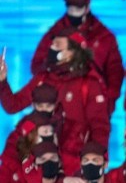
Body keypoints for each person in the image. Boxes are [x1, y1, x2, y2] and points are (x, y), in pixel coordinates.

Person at [0, 29, 111, 169]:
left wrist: (101, 156)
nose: (52, 48)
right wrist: (2, 81)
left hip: (74, 162)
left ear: (72, 52)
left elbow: (100, 125)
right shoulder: (43, 78)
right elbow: (13, 105)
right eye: (52, 44)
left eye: (57, 45)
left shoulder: (89, 83)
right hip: (40, 160)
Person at [31, 0, 124, 110]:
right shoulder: (54, 34)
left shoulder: (103, 36)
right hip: (60, 103)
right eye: (71, 10)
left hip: (93, 102)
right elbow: (37, 65)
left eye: (78, 10)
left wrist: (108, 99)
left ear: (87, 8)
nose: (74, 14)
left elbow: (115, 70)